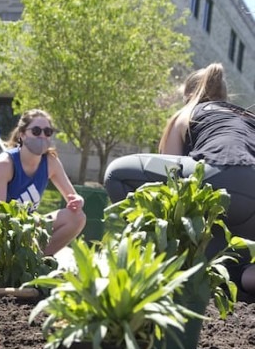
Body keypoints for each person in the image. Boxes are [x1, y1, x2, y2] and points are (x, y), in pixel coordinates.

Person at [104, 63, 255, 295]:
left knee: (117, 174)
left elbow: (167, 187)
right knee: (232, 268)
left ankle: (163, 263)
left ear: (188, 95)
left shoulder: (189, 111)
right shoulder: (246, 117)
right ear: (225, 96)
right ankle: (236, 277)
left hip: (218, 176)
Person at [0, 109, 86, 255]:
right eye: (36, 131)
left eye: (48, 132)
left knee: (77, 217)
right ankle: (19, 261)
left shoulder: (51, 162)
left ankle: (36, 262)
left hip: (26, 227)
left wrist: (79, 201)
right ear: (22, 135)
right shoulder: (5, 163)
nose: (42, 136)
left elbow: (73, 198)